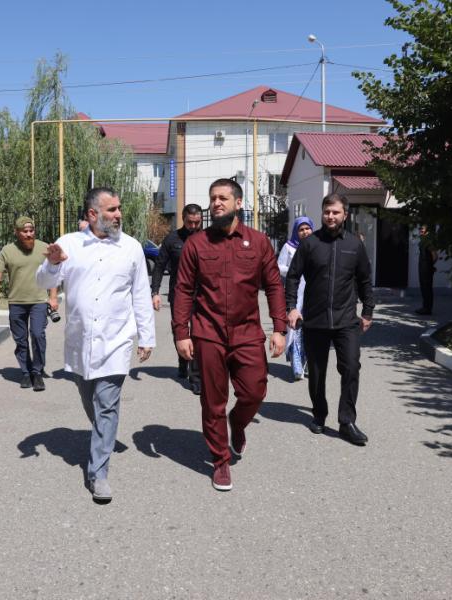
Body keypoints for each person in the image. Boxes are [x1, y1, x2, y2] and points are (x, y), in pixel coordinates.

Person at [36, 187, 155, 503]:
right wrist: (52, 264)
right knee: (89, 398)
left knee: (107, 403)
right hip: (81, 339)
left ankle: (98, 473)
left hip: (116, 340)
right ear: (92, 214)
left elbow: (141, 294)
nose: (118, 214)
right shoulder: (69, 244)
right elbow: (44, 282)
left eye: (118, 208)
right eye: (111, 209)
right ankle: (105, 431)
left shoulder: (131, 247)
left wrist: (147, 337)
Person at [172, 178, 287, 492]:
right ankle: (220, 460)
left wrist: (279, 328)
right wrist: (181, 333)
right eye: (213, 198)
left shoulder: (258, 242)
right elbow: (183, 290)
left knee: (254, 392)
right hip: (208, 332)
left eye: (223, 198)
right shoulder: (197, 244)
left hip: (247, 332)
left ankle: (237, 423)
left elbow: (274, 285)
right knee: (213, 401)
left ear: (238, 203)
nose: (216, 203)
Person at [285, 193, 375, 446]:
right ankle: (319, 414)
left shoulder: (354, 245)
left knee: (351, 367)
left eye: (336, 212)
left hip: (346, 320)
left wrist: (368, 312)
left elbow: (365, 280)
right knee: (316, 372)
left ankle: (347, 422)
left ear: (345, 214)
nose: (331, 216)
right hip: (315, 319)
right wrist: (291, 307)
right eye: (327, 212)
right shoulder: (310, 244)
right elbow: (292, 276)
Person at [0, 216, 58, 392]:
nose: (28, 234)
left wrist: (53, 297)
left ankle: (37, 372)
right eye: (24, 231)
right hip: (16, 302)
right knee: (20, 339)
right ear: (17, 232)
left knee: (38, 335)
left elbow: (53, 272)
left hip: (39, 301)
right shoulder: (7, 250)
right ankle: (26, 372)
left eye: (31, 231)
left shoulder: (44, 248)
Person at [151, 203, 204, 394]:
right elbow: (159, 265)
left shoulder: (207, 238)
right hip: (178, 293)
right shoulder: (172, 239)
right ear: (183, 219)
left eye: (197, 222)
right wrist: (155, 292)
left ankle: (196, 377)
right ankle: (183, 360)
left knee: (198, 333)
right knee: (179, 330)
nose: (194, 226)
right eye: (190, 222)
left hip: (202, 294)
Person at [277, 216, 314, 381]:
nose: (305, 232)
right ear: (296, 232)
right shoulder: (289, 247)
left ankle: (309, 365)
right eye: (301, 229)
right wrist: (295, 269)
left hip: (313, 293)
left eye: (307, 228)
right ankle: (297, 366)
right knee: (296, 329)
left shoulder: (317, 246)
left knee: (311, 330)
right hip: (296, 292)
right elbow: (279, 267)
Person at [415, 225, 438, 315]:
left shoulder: (429, 242)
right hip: (422, 267)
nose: (420, 230)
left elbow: (435, 256)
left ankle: (427, 309)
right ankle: (425, 307)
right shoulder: (423, 241)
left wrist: (430, 265)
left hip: (426, 268)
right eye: (420, 228)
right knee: (423, 287)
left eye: (422, 229)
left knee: (427, 288)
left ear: (427, 231)